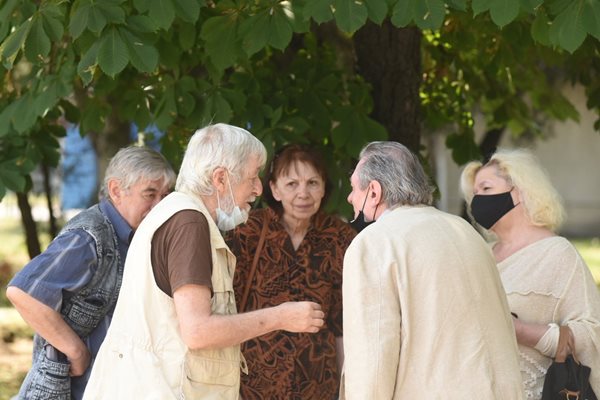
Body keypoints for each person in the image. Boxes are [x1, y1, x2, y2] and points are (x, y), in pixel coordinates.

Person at [83, 124, 325, 399]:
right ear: (220, 178)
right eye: (253, 176)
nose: (258, 189)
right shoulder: (189, 222)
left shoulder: (181, 214)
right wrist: (281, 316)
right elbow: (198, 331)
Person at [340, 141, 524, 399]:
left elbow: (372, 358)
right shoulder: (464, 230)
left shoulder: (372, 243)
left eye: (352, 188)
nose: (349, 198)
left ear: (374, 192)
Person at [7, 145, 176, 399]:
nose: (159, 205)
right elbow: (24, 293)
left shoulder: (137, 236)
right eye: (150, 194)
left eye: (165, 195)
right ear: (116, 190)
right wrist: (76, 350)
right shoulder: (88, 237)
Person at [460, 147, 600, 398]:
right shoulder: (481, 254)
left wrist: (519, 330)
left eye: (486, 188)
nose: (478, 199)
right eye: (475, 194)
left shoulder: (557, 254)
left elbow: (591, 335)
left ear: (520, 192)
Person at [226, 144, 356, 399]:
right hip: (253, 385)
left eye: (312, 183)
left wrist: (346, 389)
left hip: (319, 383)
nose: (303, 193)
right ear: (274, 189)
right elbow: (227, 308)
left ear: (324, 188)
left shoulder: (340, 238)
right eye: (292, 184)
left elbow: (343, 322)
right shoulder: (248, 231)